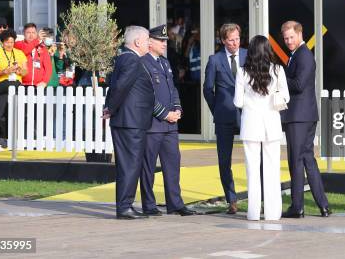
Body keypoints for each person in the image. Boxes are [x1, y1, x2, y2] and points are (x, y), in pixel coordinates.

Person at [139, 25, 196, 217]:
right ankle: (149, 204)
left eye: (165, 41)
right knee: (148, 167)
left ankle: (175, 203)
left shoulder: (164, 62)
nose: (164, 43)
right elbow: (146, 96)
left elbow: (172, 89)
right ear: (149, 42)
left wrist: (177, 108)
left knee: (172, 165)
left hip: (170, 126)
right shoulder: (143, 63)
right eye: (160, 40)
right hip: (153, 125)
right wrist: (165, 114)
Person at [234, 35, 289, 221]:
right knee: (272, 171)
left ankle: (253, 213)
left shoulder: (242, 72)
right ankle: (273, 213)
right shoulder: (277, 70)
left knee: (252, 171)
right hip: (271, 125)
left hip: (250, 125)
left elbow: (238, 101)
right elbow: (286, 97)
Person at [103, 26, 155, 220]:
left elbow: (116, 86)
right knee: (130, 165)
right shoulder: (132, 59)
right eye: (147, 39)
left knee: (129, 164)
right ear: (137, 42)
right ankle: (125, 207)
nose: (150, 42)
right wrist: (111, 108)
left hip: (129, 120)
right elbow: (120, 86)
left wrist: (110, 107)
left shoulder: (125, 58)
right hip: (130, 121)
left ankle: (126, 205)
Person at [280, 21, 330, 218]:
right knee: (308, 159)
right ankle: (323, 205)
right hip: (303, 115)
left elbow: (299, 84)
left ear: (300, 34)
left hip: (299, 116)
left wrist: (279, 78)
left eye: (291, 37)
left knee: (296, 161)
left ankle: (297, 207)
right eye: (285, 39)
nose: (288, 42)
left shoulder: (304, 54)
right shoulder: (298, 54)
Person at [203, 23, 247, 214]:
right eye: (231, 40)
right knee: (224, 160)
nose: (235, 43)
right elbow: (207, 89)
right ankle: (232, 200)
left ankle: (257, 197)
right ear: (223, 41)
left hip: (247, 114)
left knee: (254, 157)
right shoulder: (215, 60)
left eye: (237, 38)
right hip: (224, 116)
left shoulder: (248, 55)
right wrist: (217, 109)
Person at [0, 30, 27, 148]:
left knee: (14, 114)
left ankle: (12, 139)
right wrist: (4, 72)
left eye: (12, 42)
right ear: (2, 42)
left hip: (15, 85)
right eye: (7, 42)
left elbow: (25, 71)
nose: (10, 44)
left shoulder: (19, 53)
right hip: (2, 85)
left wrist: (19, 71)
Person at [14, 23, 52, 87]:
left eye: (33, 33)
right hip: (22, 84)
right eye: (28, 32)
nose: (31, 35)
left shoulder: (42, 48)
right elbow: (25, 51)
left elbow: (48, 68)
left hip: (39, 85)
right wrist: (37, 40)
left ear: (36, 34)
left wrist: (44, 82)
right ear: (24, 33)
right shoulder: (19, 44)